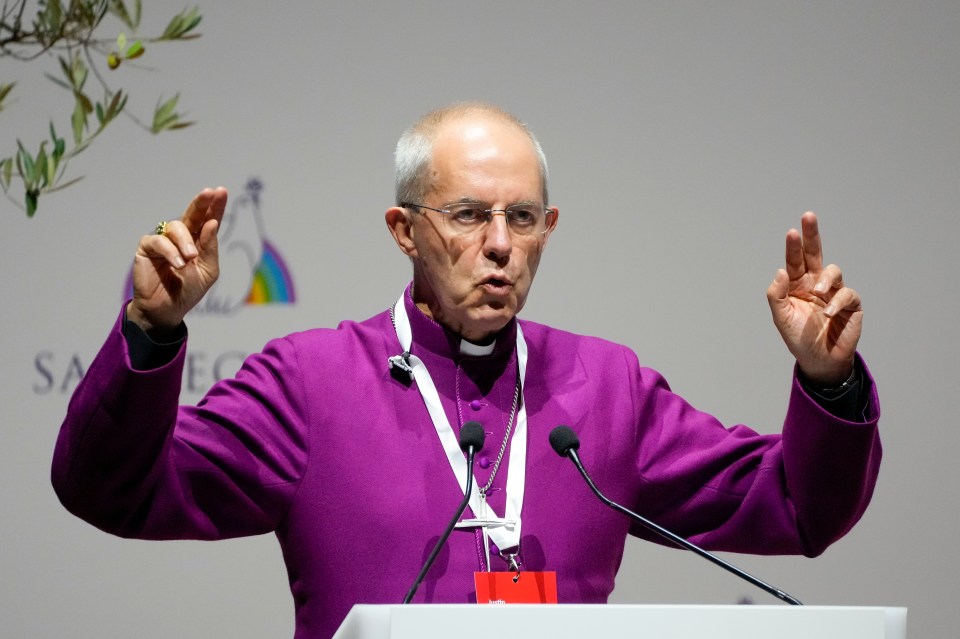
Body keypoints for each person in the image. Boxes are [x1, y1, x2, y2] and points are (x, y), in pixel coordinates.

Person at [52, 103, 881, 639]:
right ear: (403, 230)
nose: (499, 244)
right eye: (468, 214)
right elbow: (110, 488)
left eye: (522, 218)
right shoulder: (308, 384)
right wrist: (152, 334)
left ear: (548, 228)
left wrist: (829, 385)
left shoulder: (607, 387)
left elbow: (797, 506)